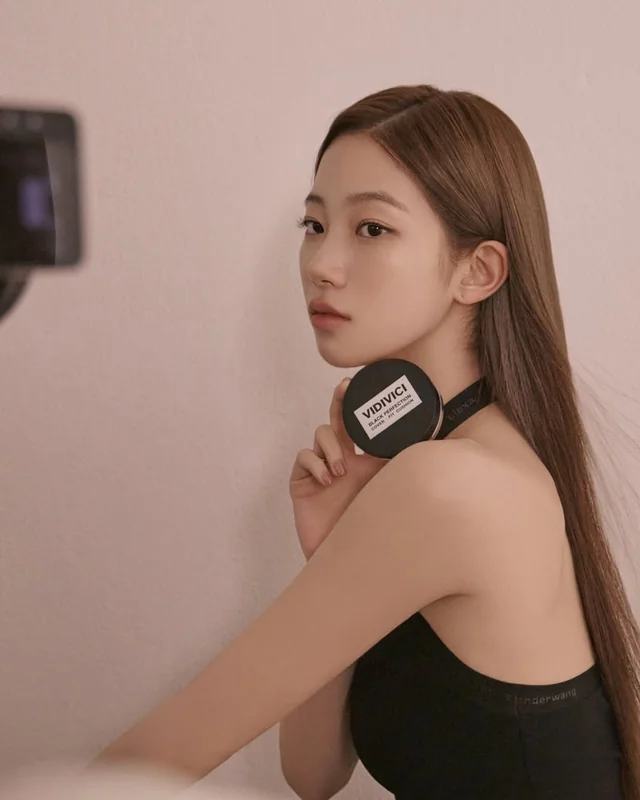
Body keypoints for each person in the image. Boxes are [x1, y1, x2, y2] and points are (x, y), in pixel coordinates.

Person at [93, 84, 640, 798]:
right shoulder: (453, 455)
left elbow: (171, 750)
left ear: (477, 271)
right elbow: (313, 774)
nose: (321, 263)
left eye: (372, 228)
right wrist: (330, 551)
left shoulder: (452, 485)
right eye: (314, 224)